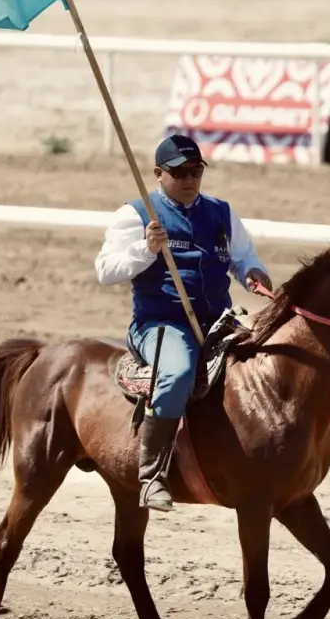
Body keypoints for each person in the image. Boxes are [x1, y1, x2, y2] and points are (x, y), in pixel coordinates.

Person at [95, 134, 272, 512]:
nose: (189, 180)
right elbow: (106, 271)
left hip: (219, 320)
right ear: (158, 174)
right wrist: (146, 249)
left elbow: (243, 257)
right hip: (160, 323)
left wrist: (252, 272)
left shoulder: (221, 212)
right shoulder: (136, 215)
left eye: (195, 172)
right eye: (179, 173)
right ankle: (151, 476)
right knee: (177, 373)